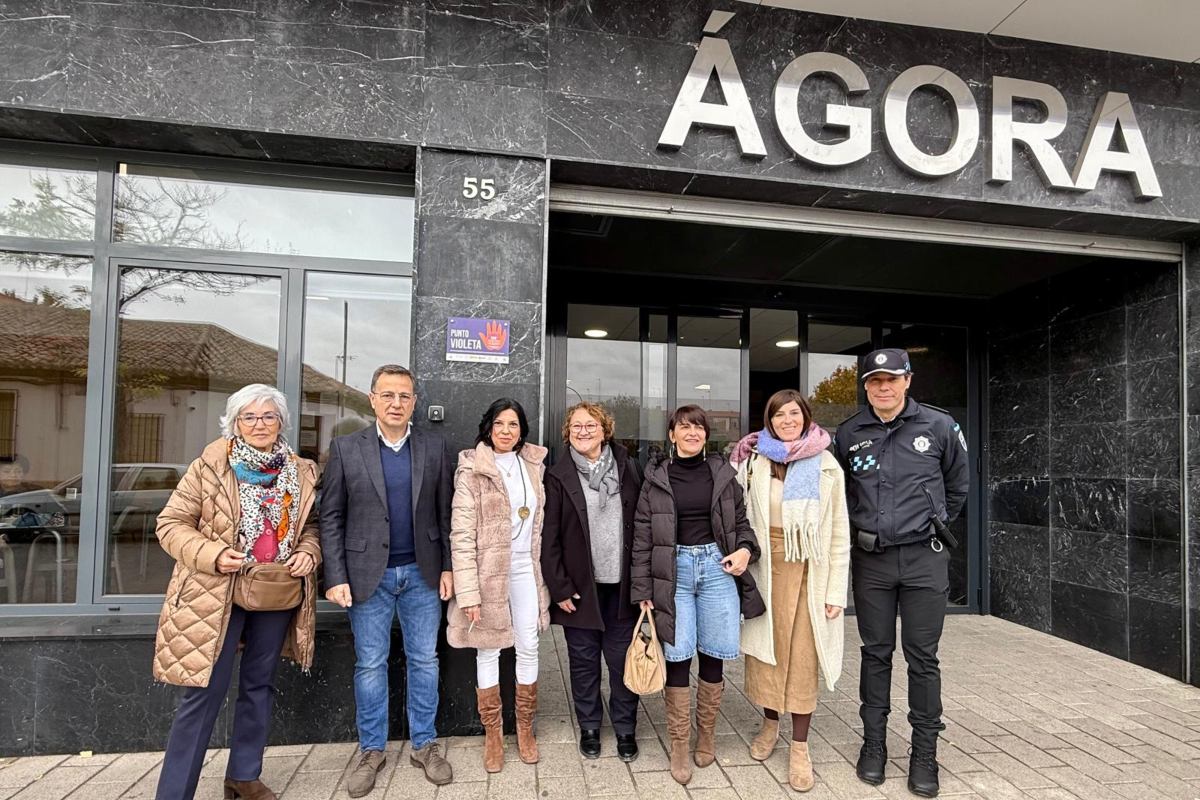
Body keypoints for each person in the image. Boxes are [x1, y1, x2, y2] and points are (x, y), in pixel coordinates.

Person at [152, 384, 321, 800]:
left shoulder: (301, 470)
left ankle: (243, 776)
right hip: (215, 592)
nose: (259, 424)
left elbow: (312, 526)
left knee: (259, 684)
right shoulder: (210, 466)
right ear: (234, 423)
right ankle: (174, 792)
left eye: (268, 416)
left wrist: (307, 552)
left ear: (281, 421)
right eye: (249, 417)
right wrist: (212, 554)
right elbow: (169, 525)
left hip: (274, 590)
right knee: (202, 691)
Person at [832, 348, 969, 798]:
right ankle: (874, 746)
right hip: (872, 561)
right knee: (875, 654)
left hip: (924, 560)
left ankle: (924, 753)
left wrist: (933, 523)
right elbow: (834, 488)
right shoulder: (850, 432)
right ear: (866, 386)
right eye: (874, 380)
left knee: (922, 658)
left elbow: (958, 485)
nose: (883, 387)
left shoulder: (939, 425)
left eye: (891, 378)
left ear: (908, 380)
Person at [319, 365, 455, 793]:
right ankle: (371, 750)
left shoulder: (434, 447)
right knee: (371, 664)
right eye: (388, 395)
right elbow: (331, 517)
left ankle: (424, 744)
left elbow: (447, 514)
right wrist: (335, 575)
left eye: (405, 396)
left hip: (422, 573)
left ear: (414, 401)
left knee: (425, 661)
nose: (397, 403)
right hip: (365, 577)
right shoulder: (346, 448)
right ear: (372, 399)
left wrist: (449, 567)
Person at [630, 405, 765, 786]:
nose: (692, 433)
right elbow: (642, 538)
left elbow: (742, 525)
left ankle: (705, 734)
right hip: (672, 572)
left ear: (707, 435)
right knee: (676, 652)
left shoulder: (723, 473)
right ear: (671, 434)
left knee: (713, 652)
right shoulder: (656, 477)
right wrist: (642, 589)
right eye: (683, 427)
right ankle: (678, 742)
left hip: (717, 568)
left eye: (698, 427)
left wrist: (744, 550)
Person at [731, 389, 850, 792]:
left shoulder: (827, 464)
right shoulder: (753, 461)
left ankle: (799, 746)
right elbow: (736, 512)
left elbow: (838, 533)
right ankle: (769, 724)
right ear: (769, 420)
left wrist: (836, 591)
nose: (786, 420)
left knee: (802, 656)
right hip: (767, 566)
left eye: (793, 414)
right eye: (778, 415)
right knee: (769, 652)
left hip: (809, 571)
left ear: (806, 417)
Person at [447, 398, 550, 773]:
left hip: (524, 569)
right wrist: (469, 593)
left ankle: (525, 729)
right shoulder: (473, 469)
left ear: (522, 430)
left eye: (514, 424)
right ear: (488, 427)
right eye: (500, 423)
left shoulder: (532, 464)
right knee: (487, 650)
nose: (507, 431)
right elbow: (461, 535)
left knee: (529, 645)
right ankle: (493, 734)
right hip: (488, 573)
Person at [541, 402, 643, 762]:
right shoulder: (557, 475)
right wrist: (560, 587)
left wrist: (643, 585)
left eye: (591, 425)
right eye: (577, 426)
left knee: (620, 661)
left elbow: (642, 527)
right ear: (568, 433)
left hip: (622, 587)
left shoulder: (629, 468)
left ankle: (626, 727)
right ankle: (589, 725)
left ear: (605, 429)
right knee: (583, 663)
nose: (584, 431)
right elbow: (548, 537)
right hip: (579, 587)